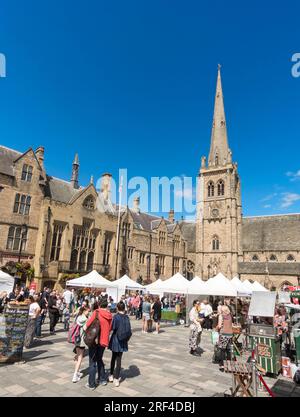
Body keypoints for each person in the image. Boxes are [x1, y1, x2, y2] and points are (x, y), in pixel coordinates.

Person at [84, 299, 112, 390]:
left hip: (95, 340)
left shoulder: (96, 312)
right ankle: (102, 379)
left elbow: (87, 324)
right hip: (104, 341)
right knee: (99, 359)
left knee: (92, 362)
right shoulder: (110, 315)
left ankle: (91, 384)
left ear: (99, 305)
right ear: (107, 306)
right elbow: (110, 328)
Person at [108, 301, 132, 387]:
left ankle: (111, 375)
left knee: (113, 358)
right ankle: (116, 379)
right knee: (119, 360)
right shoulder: (127, 317)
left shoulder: (116, 317)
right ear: (124, 308)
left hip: (116, 339)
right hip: (123, 340)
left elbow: (112, 328)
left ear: (117, 308)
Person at [72, 306, 89, 383]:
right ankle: (75, 376)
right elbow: (85, 329)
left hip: (76, 339)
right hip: (81, 340)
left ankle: (77, 371)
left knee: (77, 356)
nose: (88, 312)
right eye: (88, 311)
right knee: (80, 358)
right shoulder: (85, 319)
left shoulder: (78, 317)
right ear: (84, 311)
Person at [216, 305, 233, 372]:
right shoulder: (229, 315)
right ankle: (229, 365)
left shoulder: (221, 316)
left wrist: (216, 328)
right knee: (228, 350)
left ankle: (222, 365)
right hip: (230, 334)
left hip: (224, 334)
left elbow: (220, 326)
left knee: (222, 350)